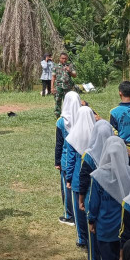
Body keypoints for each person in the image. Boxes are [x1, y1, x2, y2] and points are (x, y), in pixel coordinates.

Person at [87, 136, 130, 260]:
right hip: (127, 227)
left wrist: (91, 220)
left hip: (105, 227)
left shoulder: (99, 176)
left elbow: (94, 203)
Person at [66, 106, 97, 251]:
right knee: (90, 206)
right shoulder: (97, 135)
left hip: (78, 177)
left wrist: (68, 177)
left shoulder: (74, 135)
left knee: (78, 210)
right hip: (94, 177)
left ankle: (81, 238)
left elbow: (71, 160)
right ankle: (92, 235)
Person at [55, 91, 82, 226]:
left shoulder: (61, 122)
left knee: (66, 188)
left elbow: (59, 144)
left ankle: (69, 215)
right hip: (82, 159)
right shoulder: (83, 117)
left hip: (66, 159)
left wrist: (57, 162)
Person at [51, 52, 77, 117]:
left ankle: (67, 115)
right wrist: (52, 87)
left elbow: (75, 75)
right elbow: (53, 77)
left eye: (65, 58)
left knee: (67, 102)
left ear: (67, 58)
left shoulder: (70, 66)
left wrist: (69, 70)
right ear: (60, 58)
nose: (64, 60)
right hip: (58, 87)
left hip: (67, 87)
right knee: (57, 101)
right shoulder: (56, 66)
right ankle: (58, 115)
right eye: (62, 58)